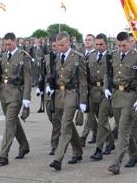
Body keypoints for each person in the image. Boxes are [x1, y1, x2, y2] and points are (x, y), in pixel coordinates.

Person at [107, 32, 137, 175]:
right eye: (118, 45)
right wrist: (107, 88)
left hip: (131, 97)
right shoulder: (114, 55)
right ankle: (135, 155)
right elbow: (109, 73)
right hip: (117, 96)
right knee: (125, 130)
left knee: (123, 129)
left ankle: (116, 163)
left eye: (123, 45)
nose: (121, 48)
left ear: (130, 42)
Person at [0, 32, 32, 166]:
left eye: (9, 44)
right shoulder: (2, 56)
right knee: (14, 122)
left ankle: (3, 155)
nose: (7, 46)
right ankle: (24, 145)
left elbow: (28, 78)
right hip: (3, 93)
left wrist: (27, 97)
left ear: (16, 42)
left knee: (9, 124)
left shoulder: (23, 57)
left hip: (16, 94)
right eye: (5, 44)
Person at [48, 31, 87, 171]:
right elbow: (54, 76)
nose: (59, 47)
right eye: (57, 45)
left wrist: (83, 100)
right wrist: (50, 87)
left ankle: (58, 159)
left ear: (69, 43)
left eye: (62, 45)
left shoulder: (77, 57)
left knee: (65, 126)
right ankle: (78, 151)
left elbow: (83, 81)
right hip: (59, 93)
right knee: (64, 122)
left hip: (72, 94)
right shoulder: (57, 57)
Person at [87, 34, 113, 161]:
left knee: (102, 119)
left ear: (106, 44)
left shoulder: (111, 57)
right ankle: (111, 142)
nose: (99, 47)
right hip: (93, 92)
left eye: (101, 44)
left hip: (105, 92)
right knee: (93, 119)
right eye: (97, 44)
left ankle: (99, 149)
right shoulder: (90, 56)